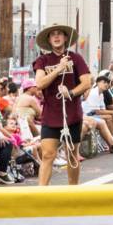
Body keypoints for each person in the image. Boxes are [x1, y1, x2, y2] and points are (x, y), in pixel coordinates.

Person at [28, 23, 92, 187]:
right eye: (52, 34)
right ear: (49, 40)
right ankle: (42, 193)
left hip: (72, 115)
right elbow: (40, 83)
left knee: (72, 154)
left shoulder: (76, 58)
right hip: (50, 115)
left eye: (59, 34)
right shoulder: (43, 60)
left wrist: (71, 93)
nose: (56, 37)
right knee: (48, 154)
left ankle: (73, 189)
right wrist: (59, 69)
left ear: (65, 37)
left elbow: (86, 82)